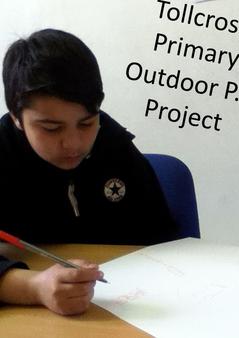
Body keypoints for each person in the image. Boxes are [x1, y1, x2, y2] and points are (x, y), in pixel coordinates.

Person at [0, 29, 177, 315]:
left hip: (126, 308)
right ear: (17, 119)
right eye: (51, 128)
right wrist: (34, 287)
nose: (73, 144)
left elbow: (167, 240)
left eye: (86, 123)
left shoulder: (114, 144)